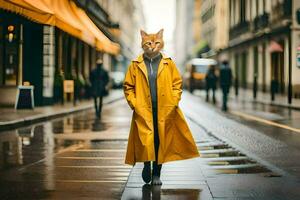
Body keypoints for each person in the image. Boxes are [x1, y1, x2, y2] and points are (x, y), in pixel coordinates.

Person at [123, 29, 199, 185]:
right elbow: (128, 87)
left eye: (156, 42)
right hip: (143, 109)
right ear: (142, 43)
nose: (152, 46)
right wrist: (135, 104)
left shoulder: (168, 62)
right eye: (148, 43)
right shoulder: (135, 64)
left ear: (161, 43)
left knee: (159, 141)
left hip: (164, 109)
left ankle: (157, 174)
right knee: (146, 139)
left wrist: (174, 101)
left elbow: (177, 83)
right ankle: (146, 164)